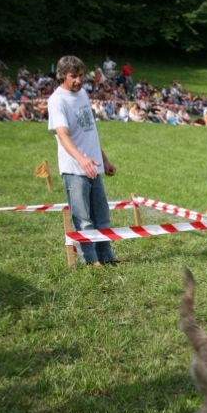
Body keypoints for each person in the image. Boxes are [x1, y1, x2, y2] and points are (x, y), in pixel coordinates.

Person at [48, 55, 120, 268]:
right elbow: (62, 134)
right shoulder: (57, 100)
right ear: (62, 76)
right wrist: (82, 160)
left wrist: (103, 159)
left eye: (81, 76)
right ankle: (90, 260)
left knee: (102, 215)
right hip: (74, 169)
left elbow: (91, 132)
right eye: (74, 77)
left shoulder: (83, 95)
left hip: (94, 166)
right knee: (83, 218)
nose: (79, 81)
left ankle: (106, 255)